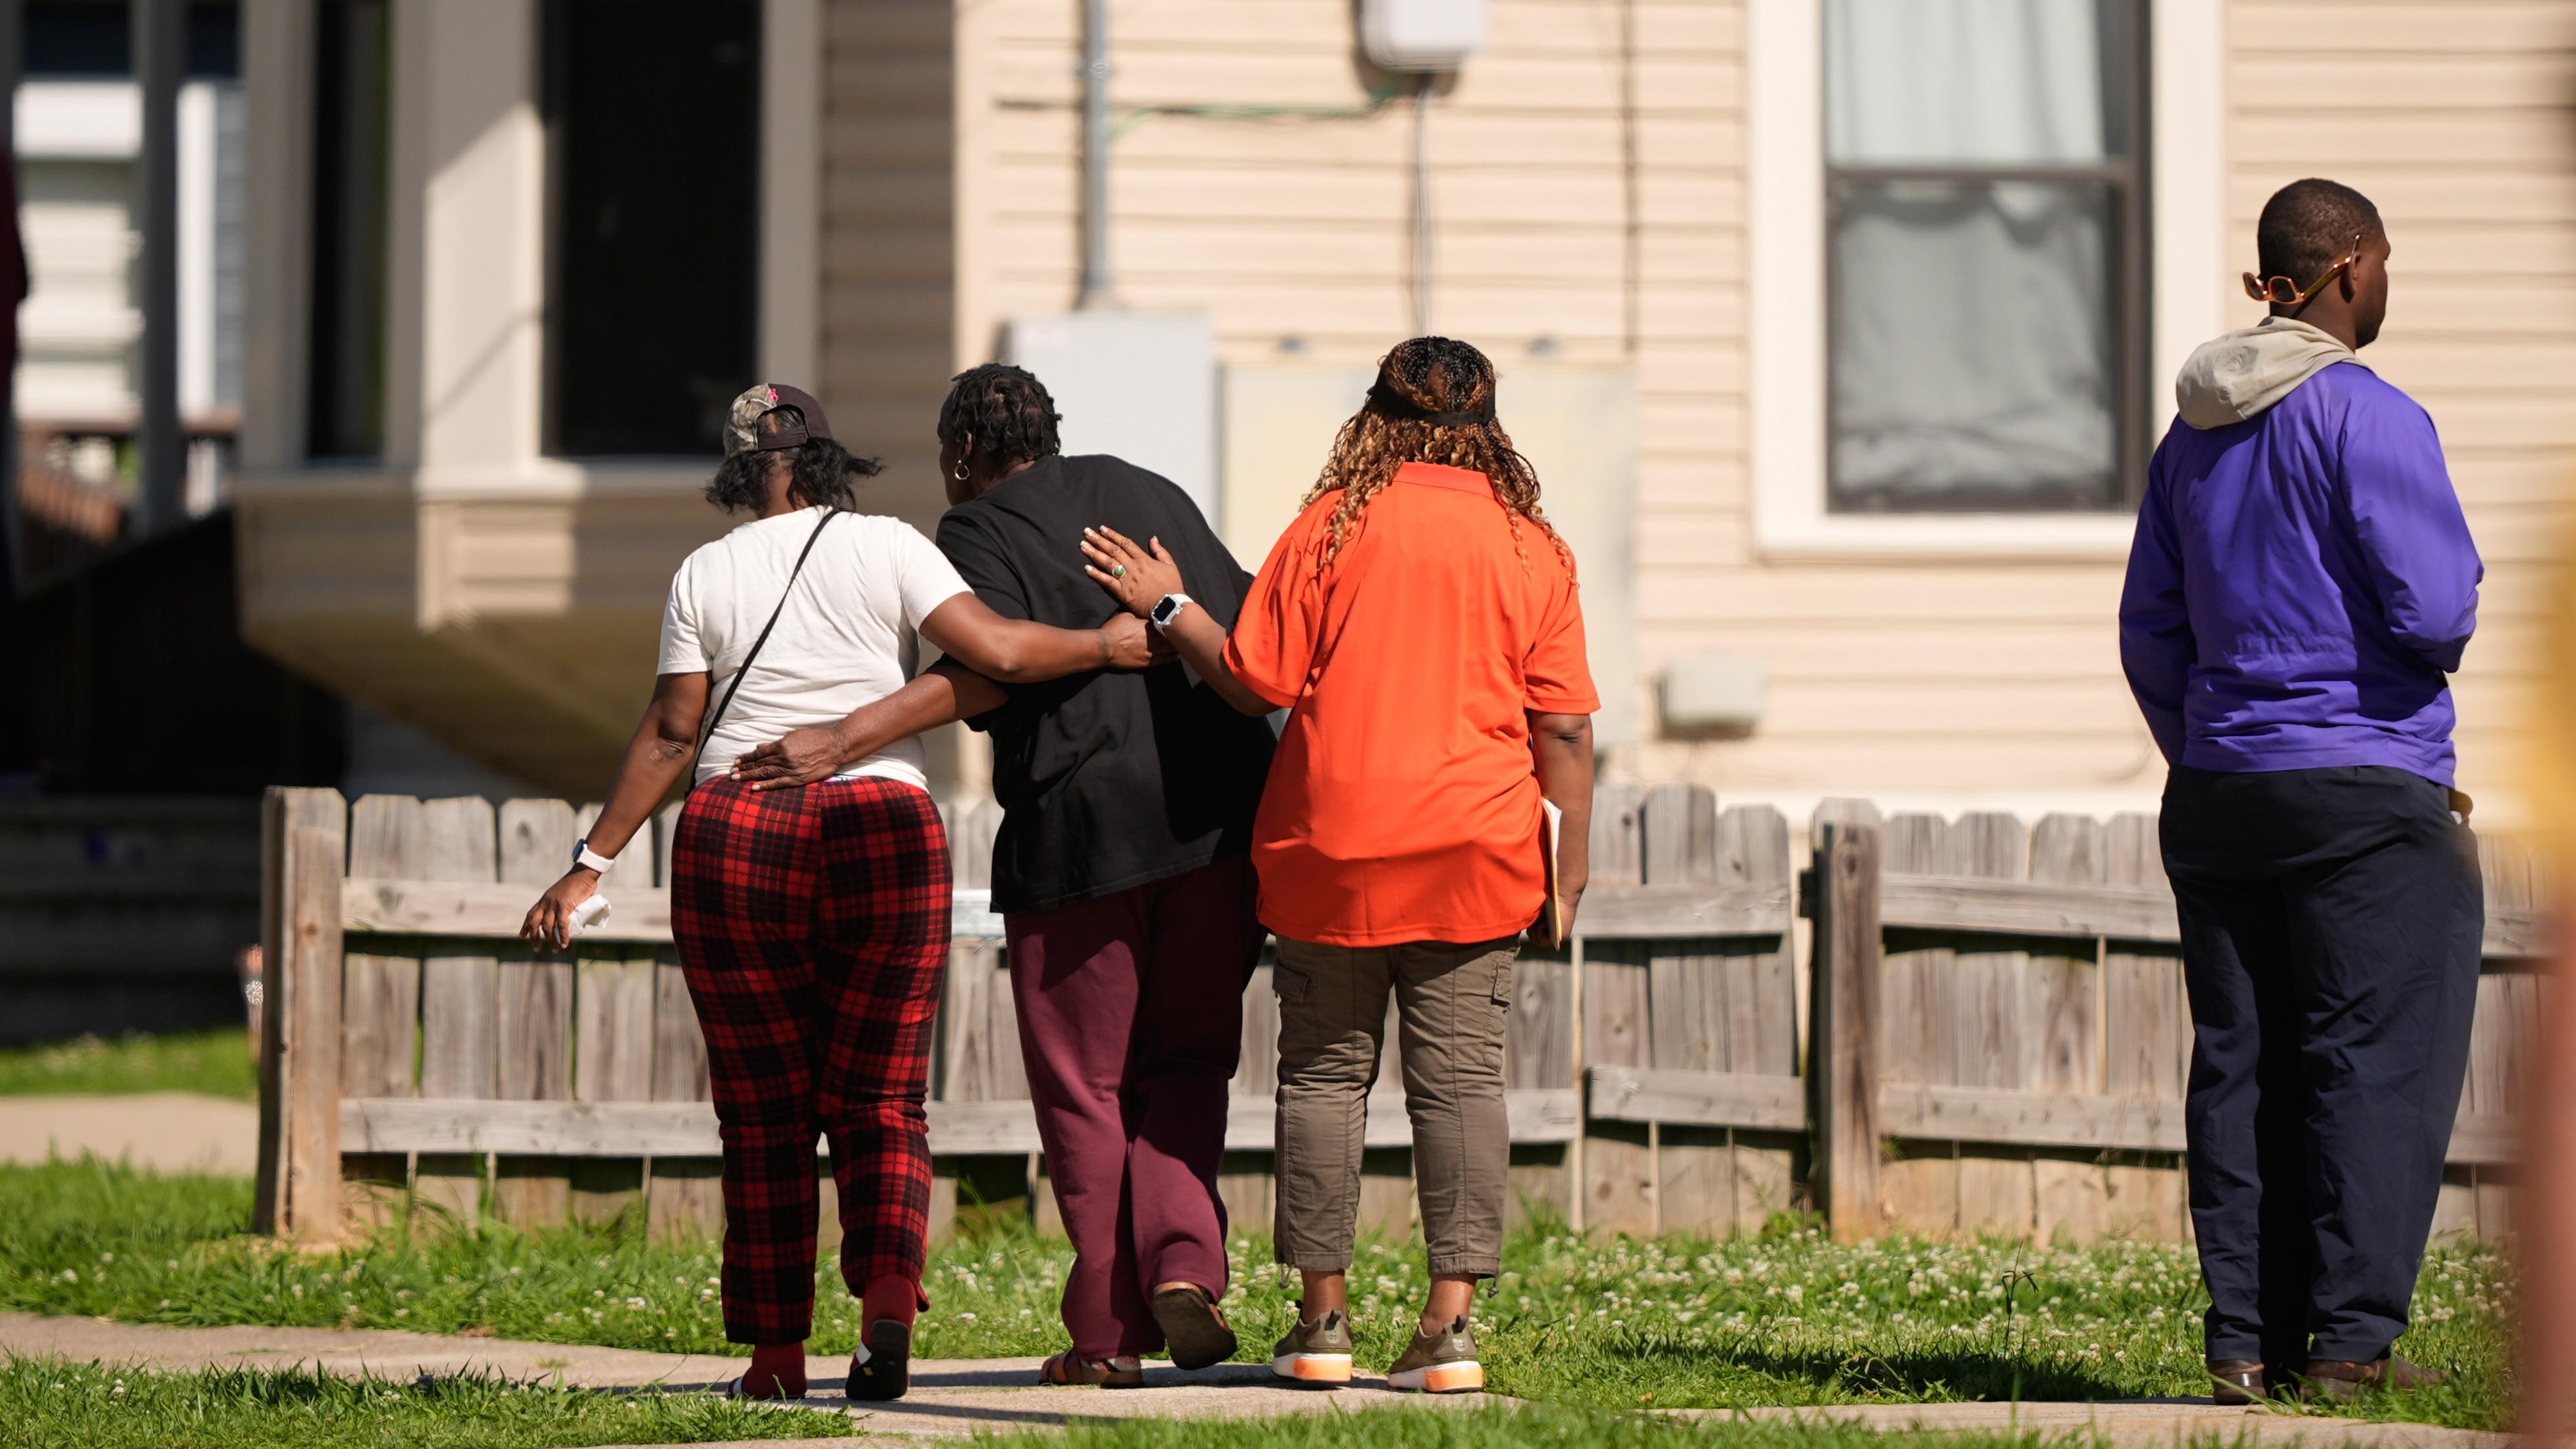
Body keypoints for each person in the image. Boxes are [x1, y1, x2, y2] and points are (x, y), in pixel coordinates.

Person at [518, 384, 1156, 1403]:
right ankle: (886, 1312)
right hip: (883, 821)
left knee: (762, 1107)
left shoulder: (705, 571)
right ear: (829, 463)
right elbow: (996, 654)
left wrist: (590, 861)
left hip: (738, 828)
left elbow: (674, 734)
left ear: (741, 472)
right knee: (884, 1096)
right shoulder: (890, 545)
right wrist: (1106, 645)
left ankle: (775, 1361)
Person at [730, 364, 1276, 1388]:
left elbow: (985, 668)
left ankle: (1107, 1337)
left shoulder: (978, 528)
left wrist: (845, 736)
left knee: (1087, 1087)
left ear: (964, 451)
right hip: (1217, 828)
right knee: (1192, 1061)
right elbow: (1252, 635)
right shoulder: (1154, 492)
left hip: (1081, 838)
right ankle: (1186, 1266)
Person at [1079, 335, 1598, 1395]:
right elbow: (1566, 730)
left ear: (1376, 418)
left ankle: (1322, 1321)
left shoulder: (1329, 526)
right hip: (1477, 854)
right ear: (1488, 425)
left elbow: (1253, 677)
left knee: (1322, 1080)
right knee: (1462, 1090)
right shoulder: (1533, 545)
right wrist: (1571, 866)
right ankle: (1448, 1330)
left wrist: (1171, 605)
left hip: (1332, 852)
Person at [2119, 180, 2483, 1403]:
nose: (2385, 286)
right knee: (2373, 1063)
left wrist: (2209, 746)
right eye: (2384, 266)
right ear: (2349, 267)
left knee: (2242, 1065)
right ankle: (2347, 1345)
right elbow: (2436, 612)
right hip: (2365, 792)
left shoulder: (2191, 436)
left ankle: (2244, 1343)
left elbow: (2150, 629)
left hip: (2222, 790)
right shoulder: (2371, 416)